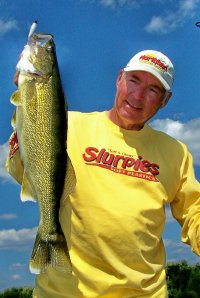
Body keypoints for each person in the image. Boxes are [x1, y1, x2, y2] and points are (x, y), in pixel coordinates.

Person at [7, 50, 200, 298]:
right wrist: (30, 101)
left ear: (165, 100)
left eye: (153, 90)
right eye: (134, 80)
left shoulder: (176, 152)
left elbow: (193, 211)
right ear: (119, 78)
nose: (138, 95)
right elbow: (20, 169)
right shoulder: (68, 125)